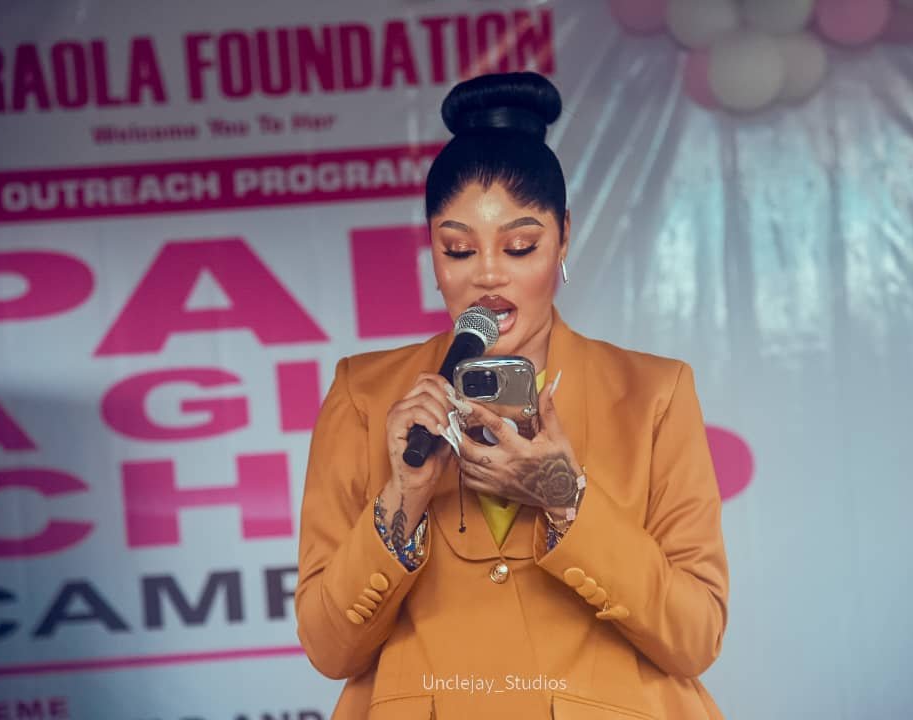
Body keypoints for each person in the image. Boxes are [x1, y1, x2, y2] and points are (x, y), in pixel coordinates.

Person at [295, 71, 729, 719]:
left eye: (520, 246)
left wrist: (565, 499)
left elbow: (696, 638)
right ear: (433, 254)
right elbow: (329, 649)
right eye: (458, 249)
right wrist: (403, 496)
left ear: (563, 237)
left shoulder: (654, 394)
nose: (489, 275)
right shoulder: (365, 395)